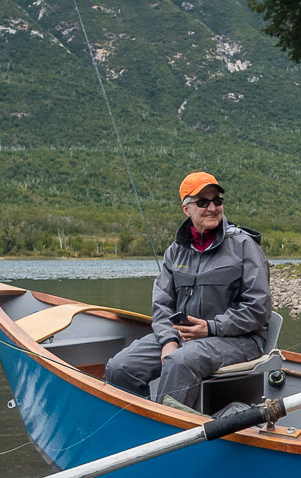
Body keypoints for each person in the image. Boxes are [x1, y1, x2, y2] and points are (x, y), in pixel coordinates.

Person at [104, 172, 272, 410]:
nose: (212, 207)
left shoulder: (245, 246)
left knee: (179, 362)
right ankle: (140, 427)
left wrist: (211, 327)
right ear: (186, 209)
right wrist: (168, 339)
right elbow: (162, 305)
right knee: (120, 368)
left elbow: (259, 309)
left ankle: (166, 437)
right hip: (184, 336)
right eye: (203, 202)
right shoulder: (175, 251)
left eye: (217, 201)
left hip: (240, 339)